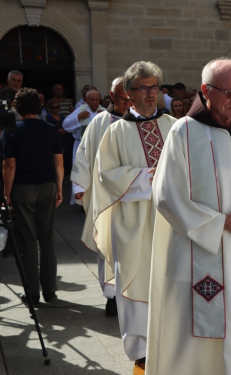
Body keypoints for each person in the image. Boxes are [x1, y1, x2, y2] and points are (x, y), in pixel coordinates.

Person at [146, 58, 231, 375]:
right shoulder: (183, 133)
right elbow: (167, 195)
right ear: (205, 91)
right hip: (198, 255)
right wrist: (221, 223)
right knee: (197, 345)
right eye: (229, 93)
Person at [91, 61, 175, 374]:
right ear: (129, 93)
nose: (151, 94)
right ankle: (141, 353)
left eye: (155, 87)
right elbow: (105, 174)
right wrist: (144, 178)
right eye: (143, 88)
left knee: (173, 282)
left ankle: (172, 343)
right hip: (133, 224)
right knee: (135, 282)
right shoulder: (115, 131)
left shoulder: (175, 127)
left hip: (173, 222)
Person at [70, 76, 132, 316]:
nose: (127, 104)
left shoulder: (140, 122)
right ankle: (111, 296)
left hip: (135, 197)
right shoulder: (99, 122)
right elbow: (84, 154)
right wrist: (79, 186)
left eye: (129, 99)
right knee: (107, 245)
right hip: (106, 197)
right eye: (121, 99)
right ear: (112, 97)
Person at [3, 88, 63, 305]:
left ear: (17, 107)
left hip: (22, 187)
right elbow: (59, 163)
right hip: (47, 184)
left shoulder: (11, 131)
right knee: (47, 239)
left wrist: (6, 194)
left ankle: (32, 293)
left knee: (28, 241)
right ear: (39, 107)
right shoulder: (50, 129)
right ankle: (50, 291)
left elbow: (9, 165)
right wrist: (59, 188)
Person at [63, 89, 104, 165]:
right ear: (87, 100)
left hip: (98, 147)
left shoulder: (104, 112)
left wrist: (105, 117)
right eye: (92, 100)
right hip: (81, 147)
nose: (94, 102)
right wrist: (78, 117)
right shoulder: (80, 110)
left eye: (96, 100)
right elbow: (65, 125)